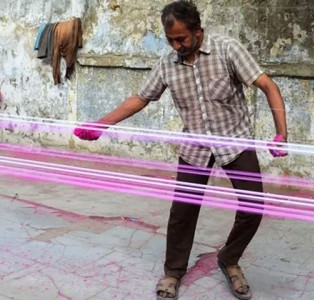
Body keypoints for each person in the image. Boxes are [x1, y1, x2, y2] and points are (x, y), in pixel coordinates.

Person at [74, 1, 288, 299]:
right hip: (195, 147)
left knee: (253, 208)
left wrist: (281, 134)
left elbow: (268, 85)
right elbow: (140, 98)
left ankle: (229, 258)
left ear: (198, 32)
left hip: (235, 142)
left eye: (182, 39)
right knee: (182, 212)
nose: (176, 45)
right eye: (170, 40)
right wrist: (102, 124)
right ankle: (173, 272)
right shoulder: (167, 64)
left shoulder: (228, 50)